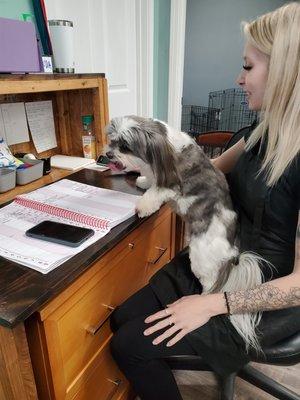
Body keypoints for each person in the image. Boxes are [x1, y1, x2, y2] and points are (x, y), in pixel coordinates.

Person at [110, 3, 300, 399]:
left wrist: (213, 305)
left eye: (248, 67)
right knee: (123, 319)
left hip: (264, 290)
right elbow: (206, 168)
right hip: (225, 253)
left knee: (129, 346)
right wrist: (147, 166)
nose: (238, 78)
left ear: (285, 70)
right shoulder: (262, 129)